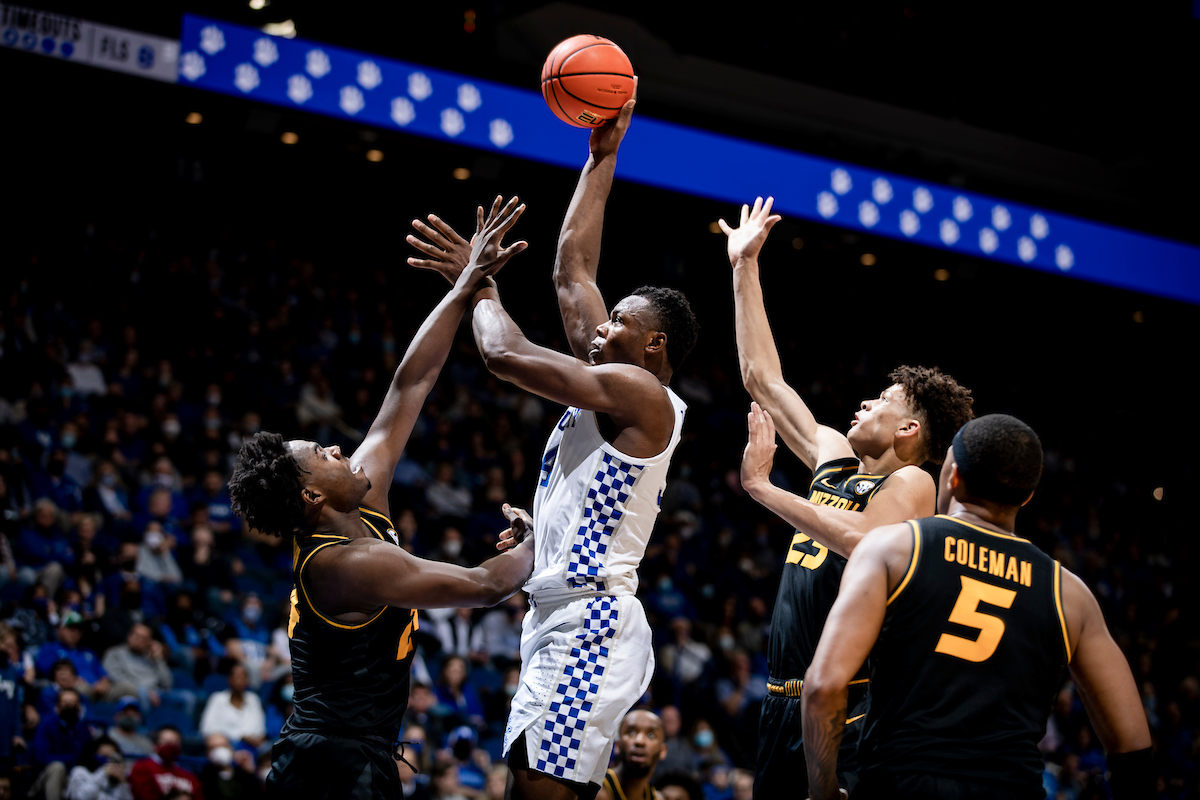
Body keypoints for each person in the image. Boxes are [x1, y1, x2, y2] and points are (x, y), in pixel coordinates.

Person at [228, 200, 538, 799]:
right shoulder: (344, 565)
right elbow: (481, 586)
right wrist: (539, 537)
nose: (341, 449)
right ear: (313, 494)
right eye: (324, 453)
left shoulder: (358, 504)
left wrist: (468, 285)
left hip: (355, 754)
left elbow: (411, 382)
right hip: (328, 766)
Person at [461, 91, 695, 800]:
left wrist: (478, 284)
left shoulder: (643, 396)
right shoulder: (613, 382)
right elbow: (571, 273)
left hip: (590, 623)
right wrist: (602, 158)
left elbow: (503, 354)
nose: (601, 327)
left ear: (653, 343)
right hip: (562, 611)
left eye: (617, 320)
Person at [727, 197, 975, 797]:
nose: (863, 404)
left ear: (908, 430)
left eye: (881, 401)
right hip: (782, 697)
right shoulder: (835, 460)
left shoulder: (912, 483)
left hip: (851, 704)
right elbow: (763, 378)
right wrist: (744, 267)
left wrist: (763, 489)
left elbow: (864, 539)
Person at [801, 415, 1153, 800]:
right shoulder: (1068, 593)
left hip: (901, 781)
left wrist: (824, 792)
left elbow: (822, 687)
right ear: (1026, 496)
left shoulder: (894, 548)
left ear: (952, 477)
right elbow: (1133, 747)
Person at [596, 710, 666, 800]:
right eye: (631, 732)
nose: (640, 741)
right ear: (618, 745)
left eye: (650, 735)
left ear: (663, 750)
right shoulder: (595, 791)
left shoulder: (657, 797)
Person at [128, 726, 203, 800]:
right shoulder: (142, 767)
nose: (170, 746)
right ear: (156, 744)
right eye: (166, 742)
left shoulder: (190, 777)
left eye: (174, 743)